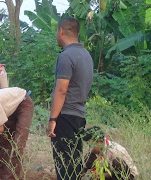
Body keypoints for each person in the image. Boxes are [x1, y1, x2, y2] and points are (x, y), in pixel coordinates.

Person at [46, 17, 94, 180]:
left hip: (65, 116)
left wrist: (53, 119)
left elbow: (61, 90)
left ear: (61, 31)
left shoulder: (66, 56)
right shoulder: (86, 55)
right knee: (74, 163)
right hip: (79, 116)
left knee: (64, 166)